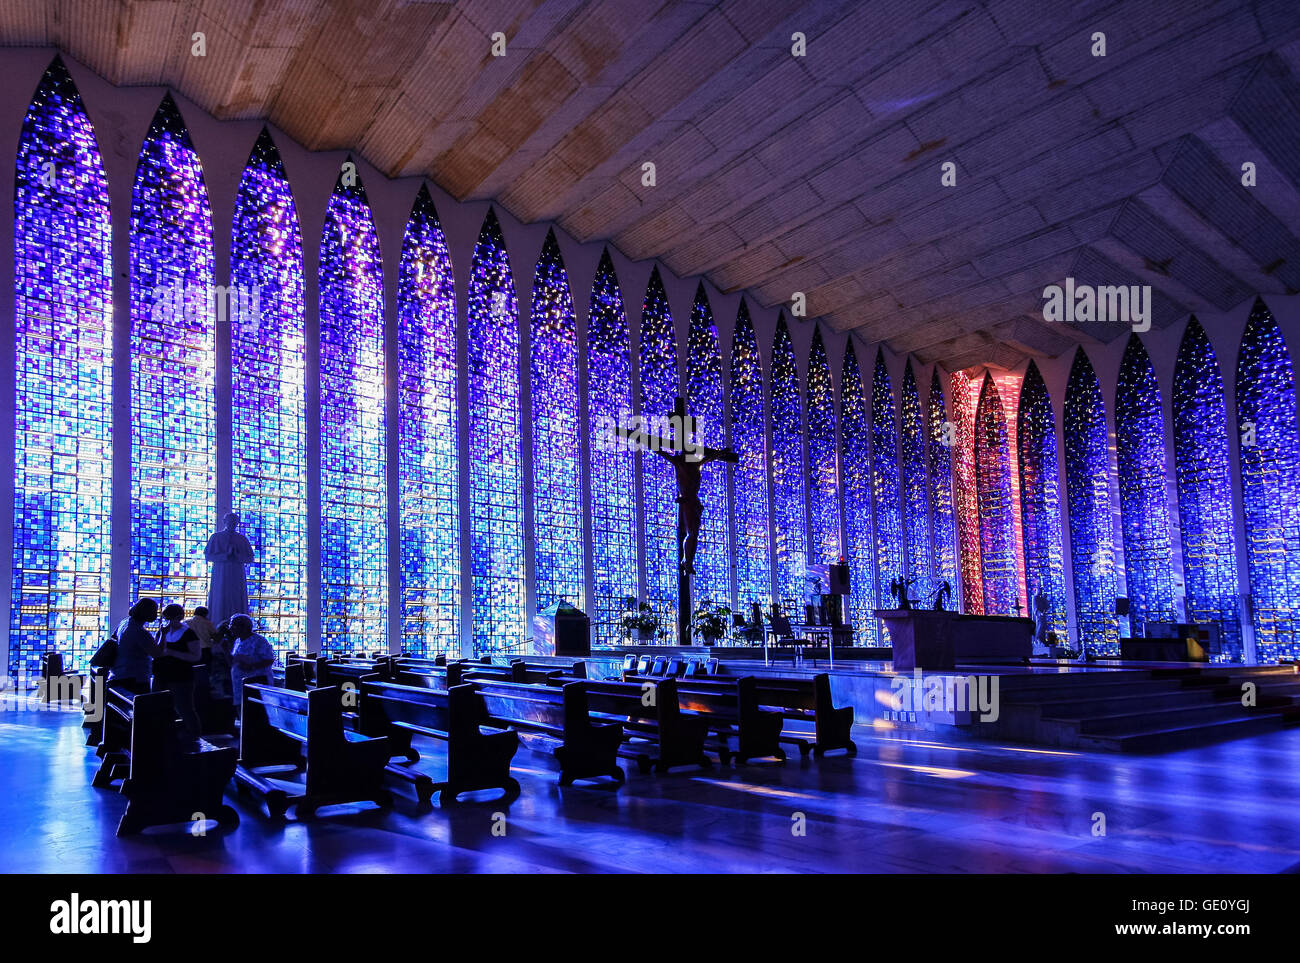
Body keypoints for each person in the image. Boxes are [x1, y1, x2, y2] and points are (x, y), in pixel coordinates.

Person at [152, 603, 202, 739]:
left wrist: (173, 652)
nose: (168, 622)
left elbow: (196, 656)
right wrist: (162, 635)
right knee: (159, 706)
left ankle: (195, 737)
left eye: (171, 619)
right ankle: (164, 735)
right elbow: (157, 650)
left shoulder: (189, 634)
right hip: (161, 675)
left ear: (179, 617)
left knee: (184, 708)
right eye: (166, 619)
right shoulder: (163, 631)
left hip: (181, 677)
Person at [205, 512, 253, 625]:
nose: (232, 524)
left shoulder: (242, 539)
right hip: (220, 573)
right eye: (230, 522)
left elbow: (250, 558)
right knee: (220, 598)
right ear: (224, 522)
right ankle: (218, 623)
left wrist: (237, 555)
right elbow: (208, 556)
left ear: (237, 523)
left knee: (237, 598)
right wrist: (225, 555)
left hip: (237, 573)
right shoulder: (216, 537)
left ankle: (239, 623)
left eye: (234, 522)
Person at [109, 598, 159, 695]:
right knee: (140, 707)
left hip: (118, 672)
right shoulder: (140, 632)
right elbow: (157, 654)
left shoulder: (124, 622)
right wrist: (163, 635)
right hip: (135, 678)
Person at [229, 615, 276, 714]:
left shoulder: (259, 641)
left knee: (254, 712)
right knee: (241, 708)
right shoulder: (238, 640)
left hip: (256, 681)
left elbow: (269, 659)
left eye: (233, 626)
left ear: (244, 627)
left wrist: (252, 666)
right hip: (239, 683)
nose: (230, 628)